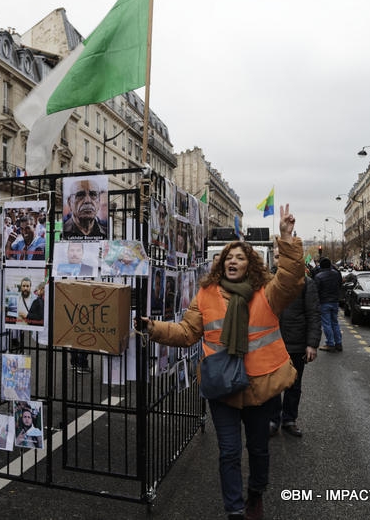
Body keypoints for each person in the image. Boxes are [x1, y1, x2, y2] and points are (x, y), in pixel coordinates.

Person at [139, 204, 302, 520]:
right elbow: (187, 332)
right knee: (228, 452)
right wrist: (152, 327)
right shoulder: (206, 294)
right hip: (222, 388)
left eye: (240, 257)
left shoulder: (268, 292)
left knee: (258, 450)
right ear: (221, 264)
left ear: (250, 264)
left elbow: (292, 279)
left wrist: (286, 236)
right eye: (229, 258)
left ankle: (255, 493)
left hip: (260, 385)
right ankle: (235, 509)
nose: (233, 261)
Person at [268, 249, 321, 438]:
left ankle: (289, 419)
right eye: (276, 257)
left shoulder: (306, 283)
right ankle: (272, 419)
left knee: (293, 384)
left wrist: (312, 343)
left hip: (296, 343)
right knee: (272, 385)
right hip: (270, 343)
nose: (280, 260)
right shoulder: (267, 282)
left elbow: (314, 314)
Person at [314, 257, 343, 352]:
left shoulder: (319, 276)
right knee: (335, 322)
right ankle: (338, 343)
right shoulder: (336, 274)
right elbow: (340, 285)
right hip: (335, 301)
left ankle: (330, 343)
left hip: (324, 302)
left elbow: (316, 291)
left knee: (327, 323)